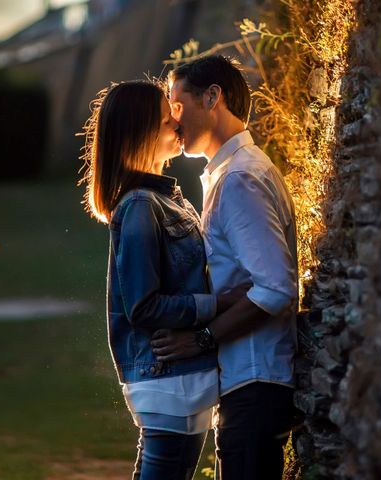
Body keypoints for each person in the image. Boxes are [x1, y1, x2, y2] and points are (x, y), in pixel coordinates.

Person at [79, 80, 244, 480]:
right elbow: (143, 306)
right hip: (166, 380)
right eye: (164, 117)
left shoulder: (168, 197)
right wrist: (219, 304)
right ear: (140, 132)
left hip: (185, 378)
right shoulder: (139, 206)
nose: (176, 121)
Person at [150, 55, 299, 479]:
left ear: (212, 97)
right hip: (245, 382)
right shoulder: (228, 175)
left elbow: (275, 289)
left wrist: (200, 339)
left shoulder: (239, 179)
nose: (173, 121)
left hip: (255, 380)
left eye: (177, 106)